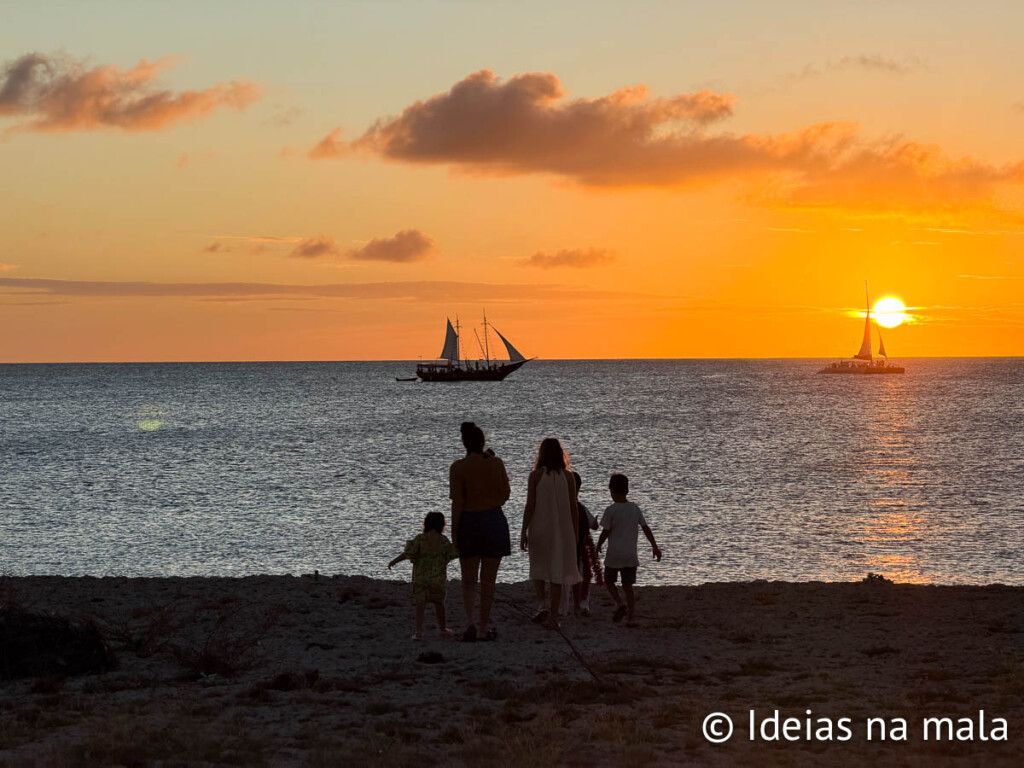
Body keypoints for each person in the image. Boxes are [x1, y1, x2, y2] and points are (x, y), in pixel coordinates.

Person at [449, 421, 511, 642]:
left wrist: (454, 532)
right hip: (494, 520)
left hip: (469, 522)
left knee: (469, 580)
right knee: (488, 581)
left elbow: (458, 502)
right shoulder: (496, 463)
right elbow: (506, 495)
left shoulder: (458, 467)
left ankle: (471, 623)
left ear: (464, 443)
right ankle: (483, 627)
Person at [520, 438, 580, 629]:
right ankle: (554, 616)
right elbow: (573, 508)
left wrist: (523, 530)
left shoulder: (535, 476)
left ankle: (542, 602)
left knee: (538, 567)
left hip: (540, 529)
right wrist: (575, 533)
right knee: (557, 572)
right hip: (562, 531)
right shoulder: (568, 477)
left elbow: (530, 505)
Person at [596, 473, 662, 627]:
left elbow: (605, 531)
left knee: (609, 582)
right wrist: (654, 546)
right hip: (630, 556)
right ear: (627, 490)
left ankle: (619, 603)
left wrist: (598, 546)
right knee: (628, 587)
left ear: (612, 490)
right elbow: (646, 528)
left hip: (614, 555)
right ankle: (630, 618)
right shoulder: (634, 508)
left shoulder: (610, 510)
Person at [388, 512, 460, 641]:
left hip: (420, 578)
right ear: (441, 525)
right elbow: (452, 553)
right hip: (438, 578)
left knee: (420, 604)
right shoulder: (443, 540)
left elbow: (408, 553)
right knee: (439, 603)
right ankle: (442, 629)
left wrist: (394, 561)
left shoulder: (420, 539)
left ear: (426, 524)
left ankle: (419, 631)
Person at [570, 471, 601, 617]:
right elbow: (594, 525)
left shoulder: (563, 508)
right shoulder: (581, 508)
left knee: (577, 575)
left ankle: (576, 604)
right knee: (583, 574)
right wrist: (595, 522)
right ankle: (582, 604)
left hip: (572, 547)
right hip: (581, 546)